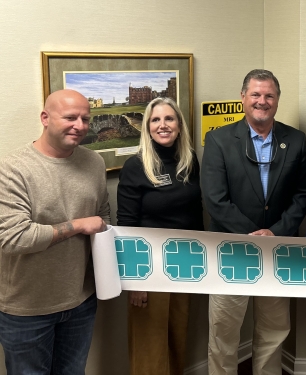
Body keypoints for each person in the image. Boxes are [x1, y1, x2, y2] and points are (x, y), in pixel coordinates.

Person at [201, 69, 306, 375]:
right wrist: (253, 234)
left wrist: (274, 232)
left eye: (269, 96)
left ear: (277, 100)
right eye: (255, 95)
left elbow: (303, 195)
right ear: (243, 98)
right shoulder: (218, 140)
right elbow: (215, 200)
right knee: (223, 335)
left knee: (274, 332)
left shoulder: (296, 140)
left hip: (277, 250)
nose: (262, 101)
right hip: (232, 252)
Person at [0, 89, 110, 374]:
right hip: (27, 308)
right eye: (70, 117)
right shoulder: (13, 168)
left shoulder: (94, 162)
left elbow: (103, 218)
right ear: (45, 118)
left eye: (86, 118)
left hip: (81, 300)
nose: (80, 125)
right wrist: (77, 225)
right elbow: (13, 237)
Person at [117, 97, 203, 375]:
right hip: (149, 268)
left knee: (177, 339)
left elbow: (196, 214)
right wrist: (134, 280)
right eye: (155, 120)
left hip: (184, 264)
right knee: (149, 348)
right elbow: (126, 225)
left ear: (179, 125)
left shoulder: (189, 161)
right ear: (147, 126)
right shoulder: (136, 165)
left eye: (169, 119)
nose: (162, 125)